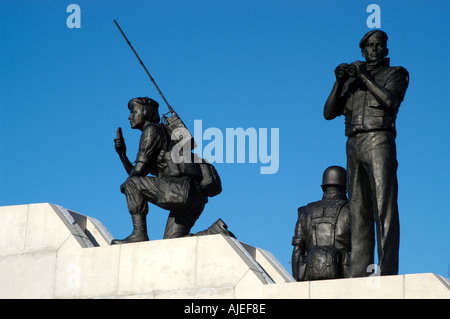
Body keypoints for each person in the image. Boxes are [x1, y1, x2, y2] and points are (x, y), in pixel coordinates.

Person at [323, 30, 409, 277]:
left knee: (384, 208)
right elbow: (328, 113)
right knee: (357, 209)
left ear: (386, 49)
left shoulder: (395, 73)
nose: (374, 50)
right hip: (353, 143)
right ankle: (359, 270)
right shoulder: (351, 82)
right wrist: (339, 81)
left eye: (379, 45)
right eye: (370, 46)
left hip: (379, 139)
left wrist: (365, 78)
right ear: (362, 50)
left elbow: (390, 101)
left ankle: (387, 270)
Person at [111, 97, 233, 244]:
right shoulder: (165, 132)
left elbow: (137, 173)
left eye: (133, 112)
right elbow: (137, 173)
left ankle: (139, 234)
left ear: (145, 111)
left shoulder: (151, 131)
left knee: (131, 184)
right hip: (196, 194)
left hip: (182, 190)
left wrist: (128, 184)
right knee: (173, 241)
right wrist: (122, 155)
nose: (130, 117)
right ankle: (216, 232)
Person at [292, 166, 350, 281]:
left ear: (323, 187)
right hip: (345, 279)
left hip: (310, 280)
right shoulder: (353, 211)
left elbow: (297, 251)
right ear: (346, 187)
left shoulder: (304, 212)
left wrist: (298, 282)